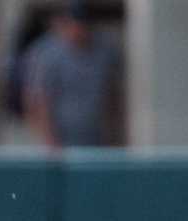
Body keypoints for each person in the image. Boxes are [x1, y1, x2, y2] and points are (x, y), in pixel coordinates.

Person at [22, 2, 121, 149]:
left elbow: (112, 95)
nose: (79, 31)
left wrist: (114, 136)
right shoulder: (48, 53)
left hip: (95, 137)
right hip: (60, 140)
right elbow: (37, 100)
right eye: (75, 25)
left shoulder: (104, 52)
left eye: (83, 25)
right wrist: (50, 141)